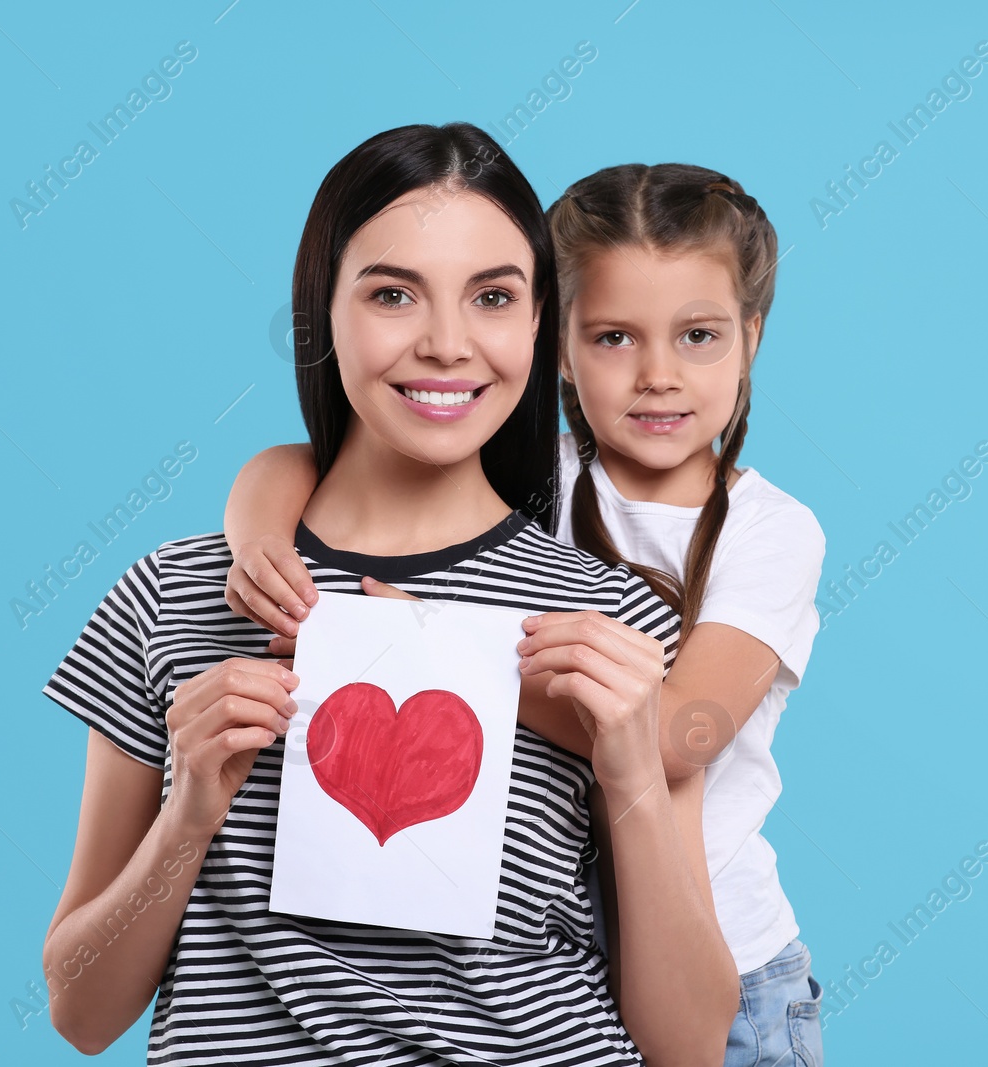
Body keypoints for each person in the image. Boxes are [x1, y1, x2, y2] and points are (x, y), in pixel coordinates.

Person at [41, 123, 738, 1066]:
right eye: (392, 294)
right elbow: (81, 1014)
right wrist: (189, 812)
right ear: (321, 313)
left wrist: (634, 781)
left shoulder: (613, 621)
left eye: (492, 296)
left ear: (538, 323)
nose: (448, 344)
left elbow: (690, 1048)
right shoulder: (178, 590)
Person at [222, 162, 827, 1066]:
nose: (659, 374)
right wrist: (258, 543)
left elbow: (671, 737)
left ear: (752, 336)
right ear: (557, 346)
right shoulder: (530, 473)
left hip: (724, 969)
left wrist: (419, 640)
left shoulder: (770, 531)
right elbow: (296, 461)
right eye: (615, 336)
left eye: (698, 336)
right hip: (546, 954)